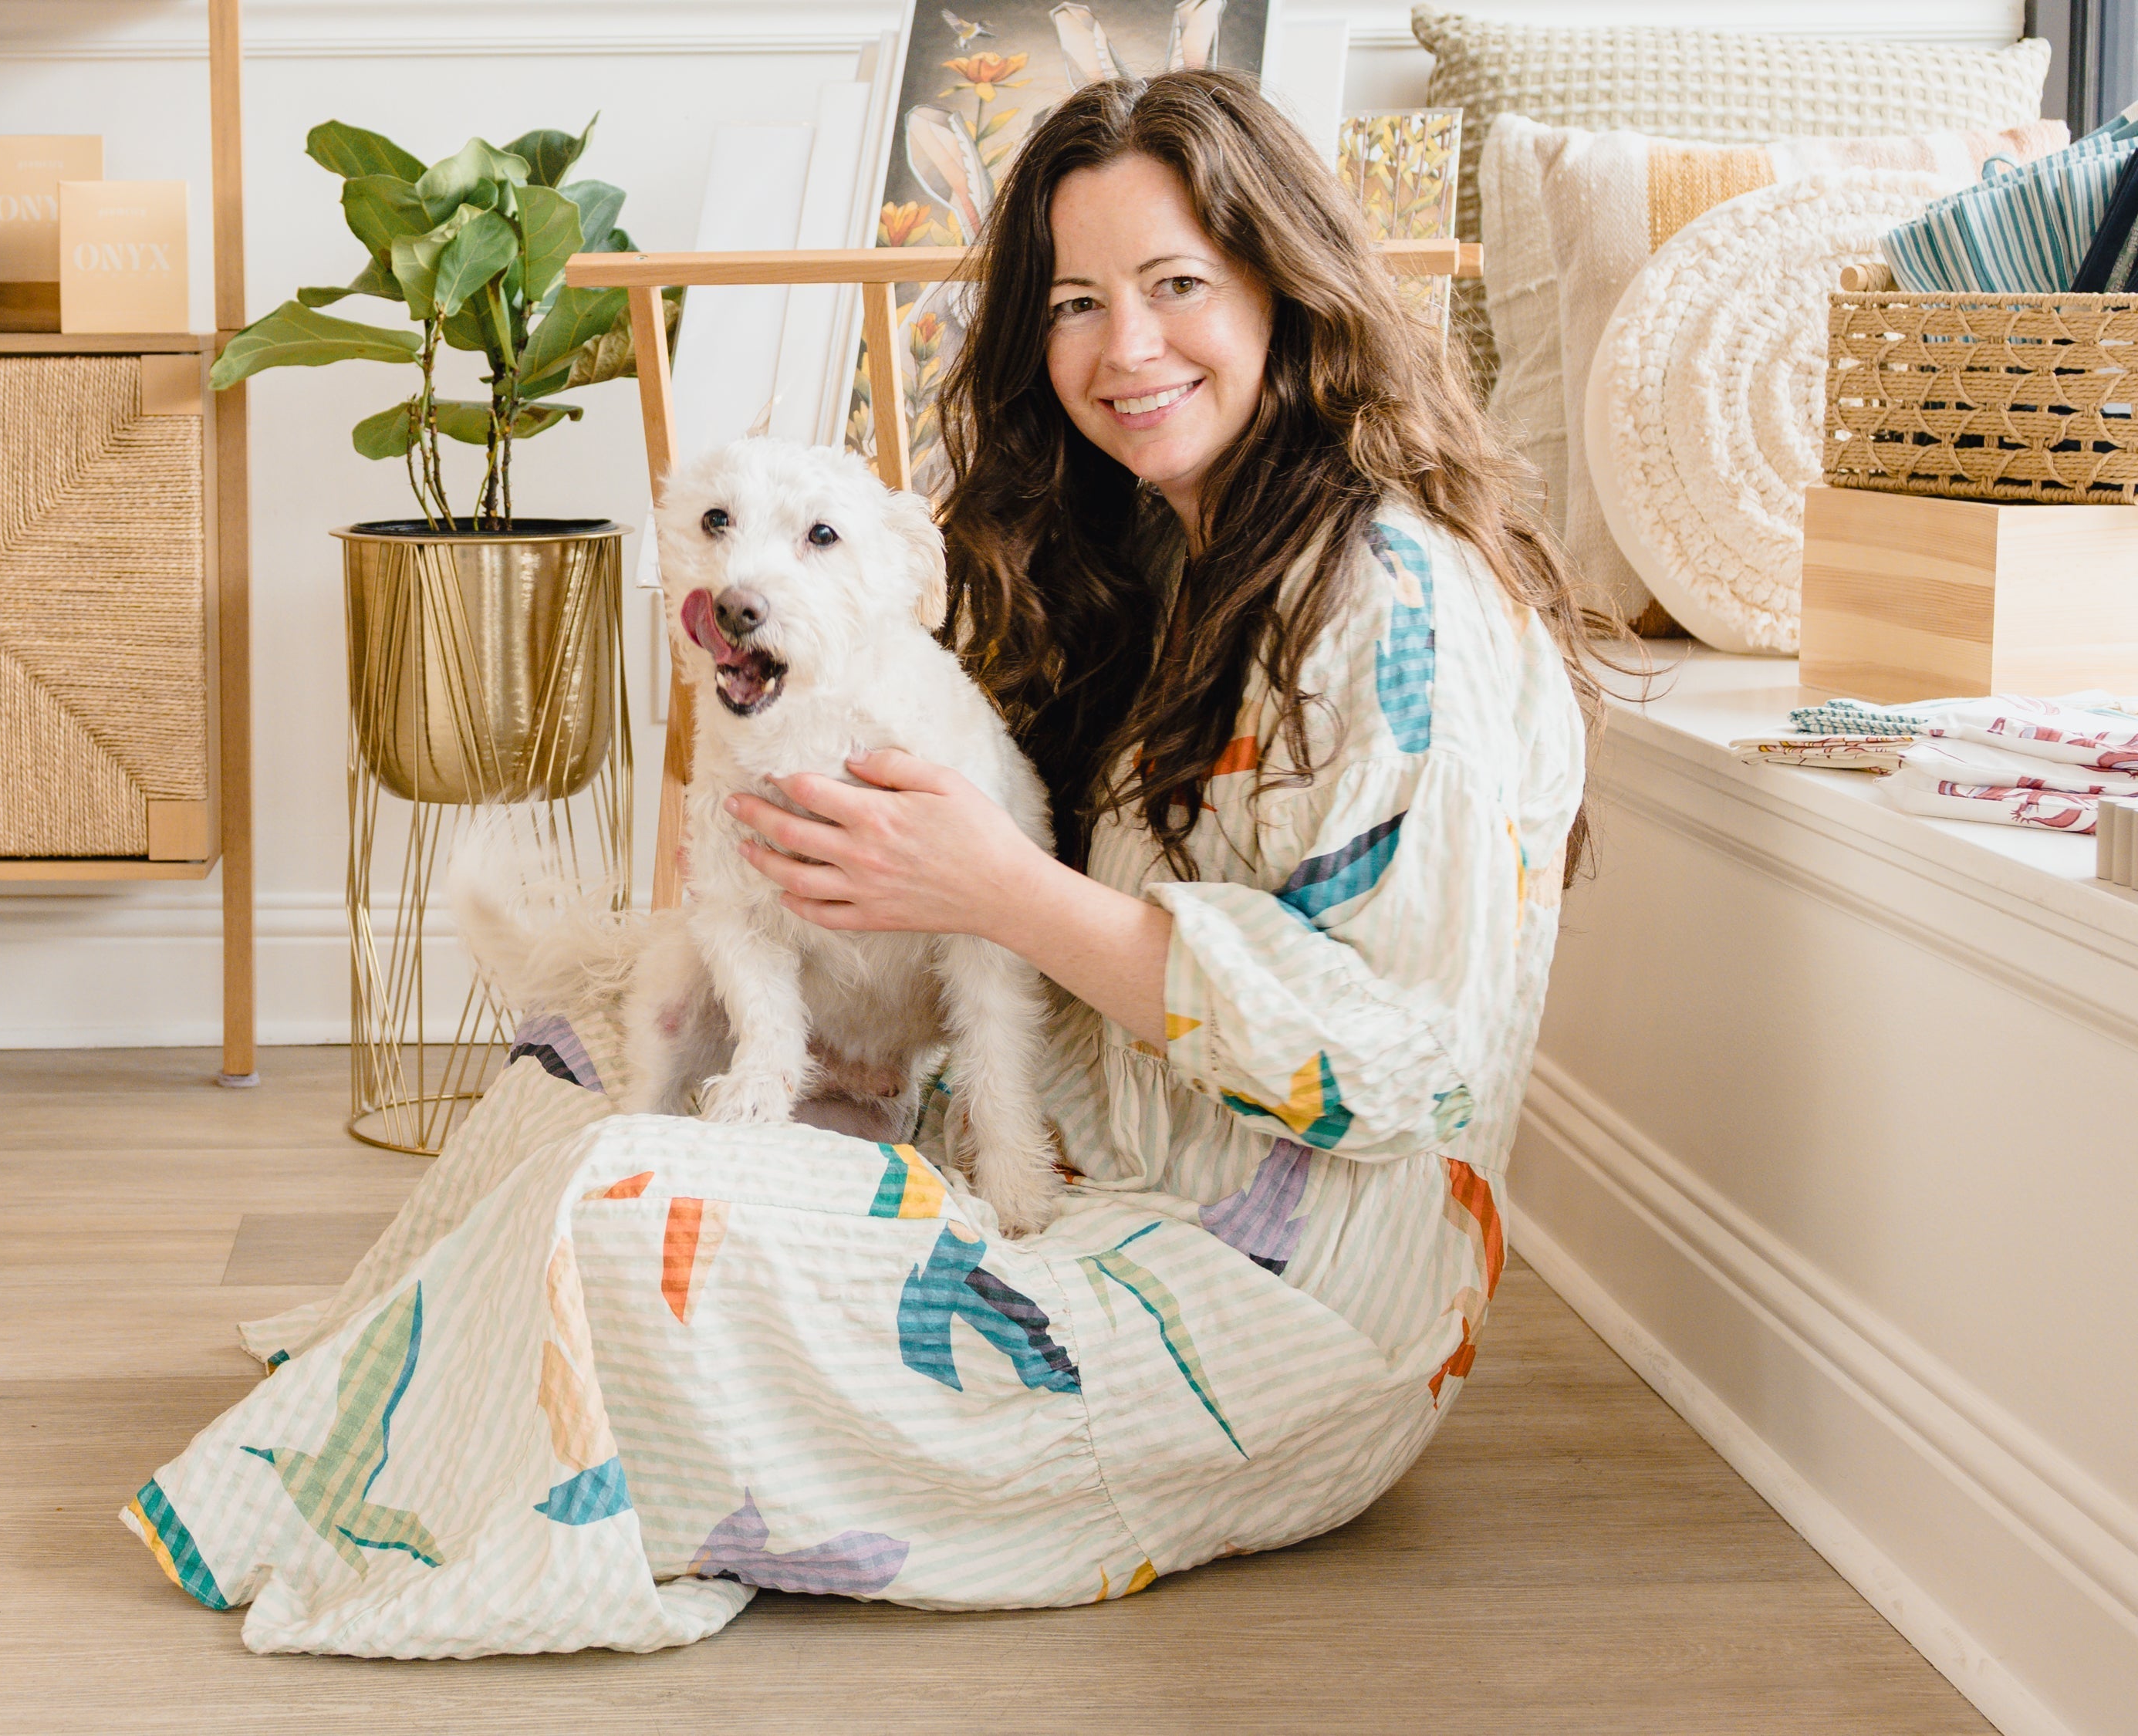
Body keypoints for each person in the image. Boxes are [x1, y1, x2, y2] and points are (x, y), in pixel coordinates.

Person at [127, 71, 1597, 1656]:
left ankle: (467, 1444)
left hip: (1260, 1311)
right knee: (584, 1064)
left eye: (1177, 286)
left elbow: (1402, 1068)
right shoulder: (1169, 549)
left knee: (624, 1208)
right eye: (1077, 304)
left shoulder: (1385, 598)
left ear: (1283, 289)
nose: (1126, 350)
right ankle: (435, 1395)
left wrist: (990, 889)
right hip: (1077, 1131)